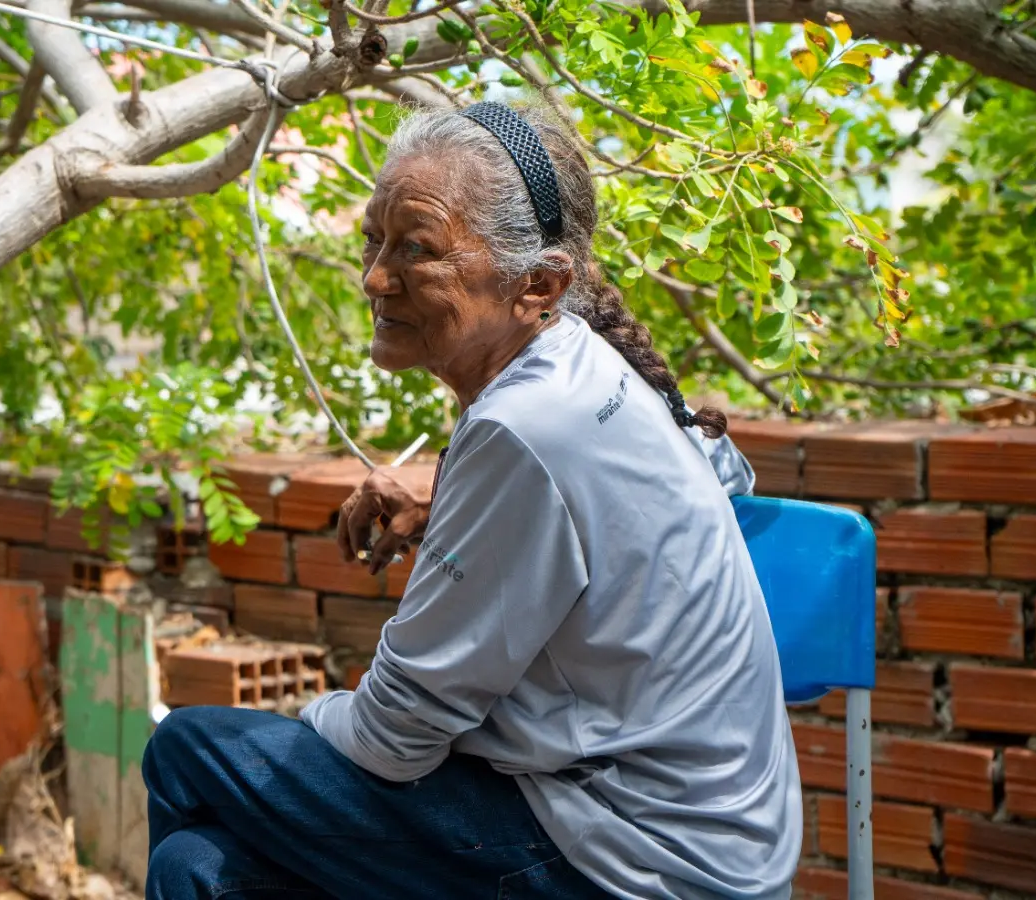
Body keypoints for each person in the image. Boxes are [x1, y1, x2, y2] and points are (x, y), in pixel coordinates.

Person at [141, 99, 801, 900]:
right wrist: (454, 515)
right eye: (372, 239)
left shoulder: (524, 427)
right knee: (196, 872)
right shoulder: (584, 368)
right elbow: (708, 485)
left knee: (190, 746)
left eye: (416, 248)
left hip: (637, 858)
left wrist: (305, 720)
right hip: (687, 834)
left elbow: (394, 739)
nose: (373, 277)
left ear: (539, 284)